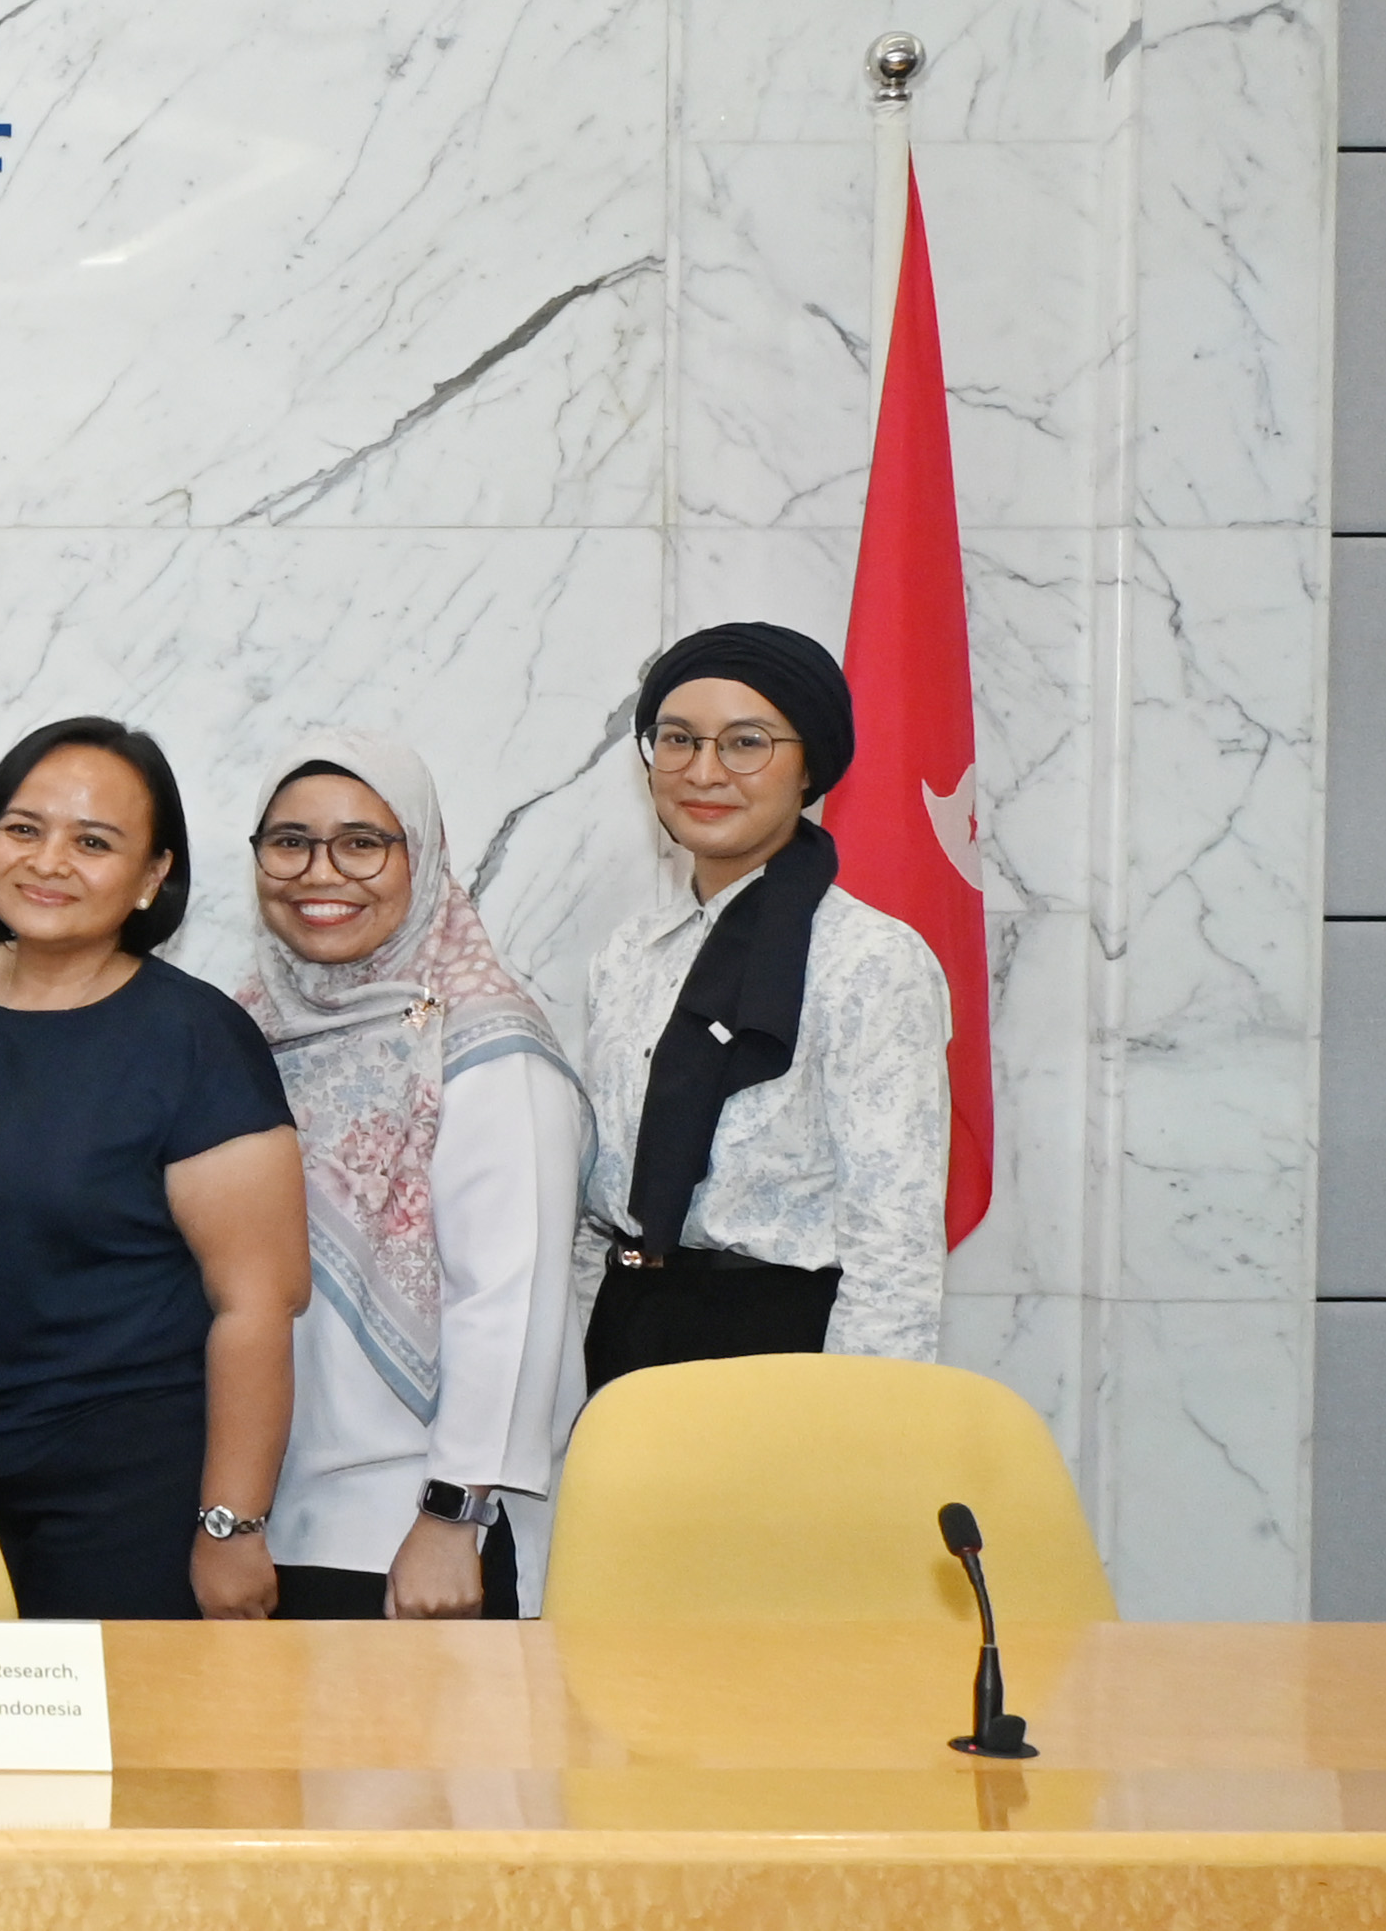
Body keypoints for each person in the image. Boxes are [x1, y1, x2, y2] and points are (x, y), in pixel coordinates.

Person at [0, 716, 305, 1621]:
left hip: (122, 1491)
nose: (49, 862)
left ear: (153, 876)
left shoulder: (196, 1039)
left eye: (93, 842)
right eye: (24, 828)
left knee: (127, 1760)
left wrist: (232, 1528)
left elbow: (259, 1302)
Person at [238, 733, 586, 1619]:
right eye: (289, 842)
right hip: (259, 1526)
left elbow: (509, 1299)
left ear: (421, 857)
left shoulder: (484, 1045)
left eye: (362, 842)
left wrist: (452, 1518)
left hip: (406, 1534)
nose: (321, 873)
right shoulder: (243, 1029)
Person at [578, 622, 952, 1383]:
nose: (704, 771)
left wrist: (868, 1421)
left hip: (786, 1349)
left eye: (746, 743)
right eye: (677, 739)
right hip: (629, 1331)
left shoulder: (869, 959)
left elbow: (895, 1236)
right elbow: (602, 1195)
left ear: (809, 765)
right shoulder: (628, 955)